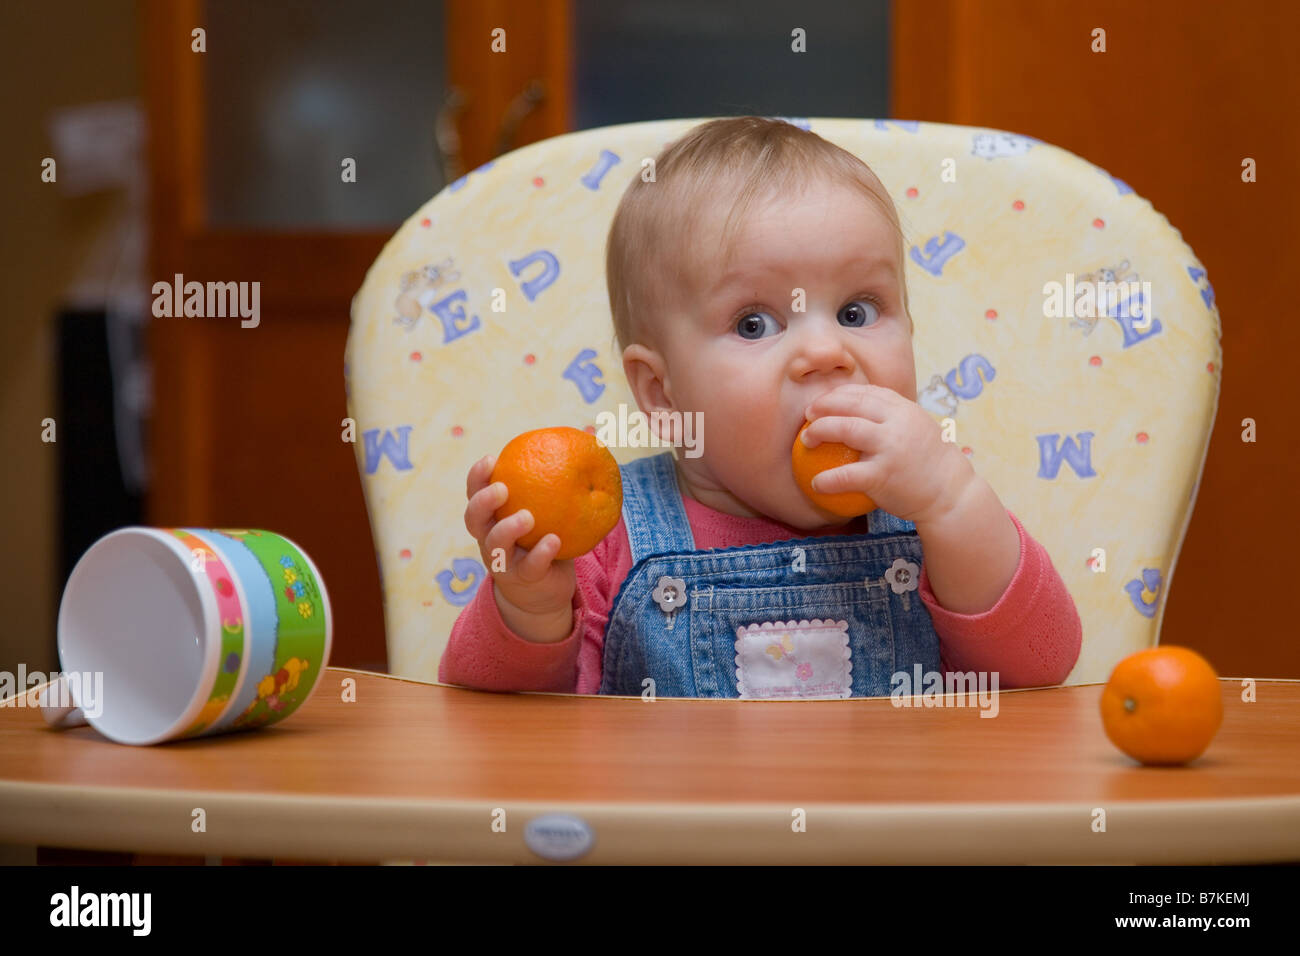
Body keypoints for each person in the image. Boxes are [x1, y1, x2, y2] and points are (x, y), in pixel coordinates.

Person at [440, 116, 1081, 699]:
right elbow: (503, 720)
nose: (827, 352)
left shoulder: (936, 516)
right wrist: (529, 610)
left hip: (892, 829)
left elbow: (1043, 663)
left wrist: (951, 501)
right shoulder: (608, 540)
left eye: (857, 311)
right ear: (664, 394)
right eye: (754, 324)